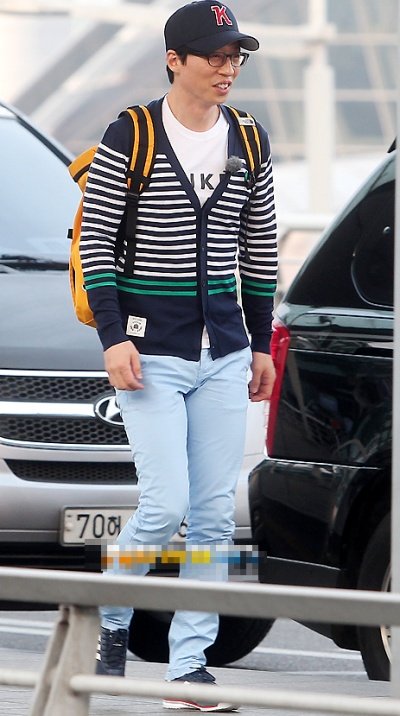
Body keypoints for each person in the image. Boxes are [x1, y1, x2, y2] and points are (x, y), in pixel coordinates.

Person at [80, 1, 277, 711]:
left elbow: (259, 248)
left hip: (224, 351)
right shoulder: (131, 133)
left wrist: (260, 342)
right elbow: (97, 243)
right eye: (214, 56)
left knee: (215, 515)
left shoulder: (248, 138)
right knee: (164, 506)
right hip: (150, 352)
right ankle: (110, 617)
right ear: (175, 60)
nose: (228, 69)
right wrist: (113, 338)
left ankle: (188, 669)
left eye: (235, 57)